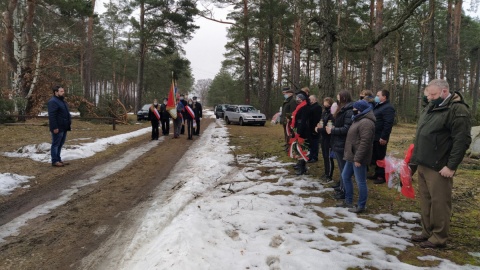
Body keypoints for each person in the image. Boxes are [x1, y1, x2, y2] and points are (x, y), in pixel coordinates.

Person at [410, 79, 471, 249]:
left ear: (445, 92)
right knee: (426, 201)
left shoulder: (457, 110)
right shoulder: (431, 106)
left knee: (439, 202)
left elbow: (462, 141)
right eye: (428, 94)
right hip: (423, 162)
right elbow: (421, 135)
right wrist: (413, 163)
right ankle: (427, 232)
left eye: (433, 94)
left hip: (439, 166)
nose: (429, 97)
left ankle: (439, 237)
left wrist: (451, 166)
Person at [337, 100, 376, 213]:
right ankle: (348, 200)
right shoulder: (358, 119)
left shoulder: (366, 122)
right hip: (351, 155)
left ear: (360, 109)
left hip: (358, 157)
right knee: (345, 176)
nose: (353, 110)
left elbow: (365, 142)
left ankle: (361, 205)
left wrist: (358, 158)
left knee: (361, 181)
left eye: (354, 108)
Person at [326, 90, 354, 200]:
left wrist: (333, 130)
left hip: (342, 143)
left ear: (344, 98)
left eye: (339, 97)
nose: (337, 98)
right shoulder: (342, 109)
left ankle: (344, 191)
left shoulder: (348, 111)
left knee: (343, 169)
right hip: (337, 142)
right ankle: (342, 188)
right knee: (341, 168)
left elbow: (347, 128)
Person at [370, 90, 396, 184]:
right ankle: (377, 173)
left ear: (384, 97)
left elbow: (388, 123)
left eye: (378, 95)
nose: (376, 97)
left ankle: (381, 176)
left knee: (380, 156)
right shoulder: (378, 106)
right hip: (374, 135)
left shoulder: (388, 108)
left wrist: (384, 137)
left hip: (380, 137)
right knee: (376, 156)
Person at [47, 86, 72, 167]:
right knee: (56, 144)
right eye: (61, 91)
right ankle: (55, 161)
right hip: (57, 127)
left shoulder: (61, 101)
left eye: (63, 91)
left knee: (60, 143)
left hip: (63, 126)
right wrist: (54, 127)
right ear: (56, 92)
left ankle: (58, 159)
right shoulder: (53, 101)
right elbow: (52, 116)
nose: (63, 92)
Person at [289, 93, 310, 175]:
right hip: (298, 129)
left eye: (298, 98)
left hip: (302, 131)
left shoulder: (304, 108)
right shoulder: (299, 107)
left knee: (302, 149)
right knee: (298, 148)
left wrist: (299, 131)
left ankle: (302, 168)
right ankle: (300, 165)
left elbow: (303, 121)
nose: (297, 100)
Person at [316, 97, 335, 183]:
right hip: (323, 137)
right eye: (324, 102)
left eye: (327, 102)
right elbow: (321, 122)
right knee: (324, 156)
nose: (325, 104)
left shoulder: (331, 114)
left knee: (328, 156)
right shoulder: (324, 112)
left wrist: (319, 129)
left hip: (329, 138)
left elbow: (329, 127)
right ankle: (326, 172)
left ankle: (329, 175)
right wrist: (318, 126)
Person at [308, 95, 322, 163]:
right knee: (311, 143)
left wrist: (315, 128)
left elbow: (316, 119)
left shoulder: (317, 107)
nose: (309, 100)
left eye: (310, 99)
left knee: (315, 143)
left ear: (314, 99)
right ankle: (310, 155)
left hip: (314, 128)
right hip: (310, 127)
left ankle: (314, 156)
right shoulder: (311, 106)